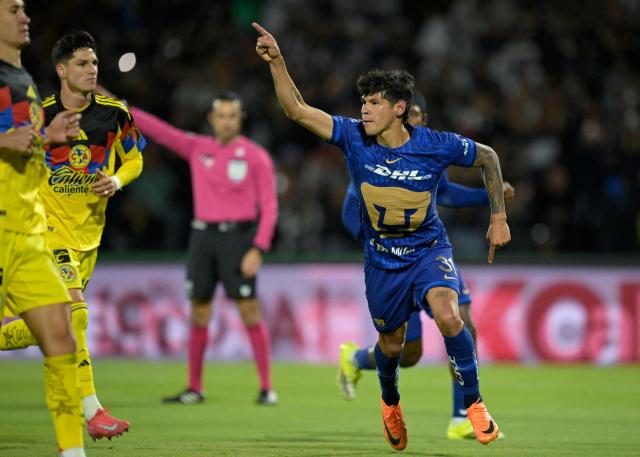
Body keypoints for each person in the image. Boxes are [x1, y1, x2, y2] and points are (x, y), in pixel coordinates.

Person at [254, 22, 510, 450]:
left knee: (452, 317)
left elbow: (488, 157)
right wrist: (278, 62)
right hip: (383, 261)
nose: (365, 110)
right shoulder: (354, 137)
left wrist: (498, 217)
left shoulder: (435, 143)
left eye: (374, 103)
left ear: (399, 108)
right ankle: (390, 403)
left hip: (429, 249)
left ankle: (474, 406)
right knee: (392, 348)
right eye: (363, 102)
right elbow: (297, 110)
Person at [338, 91, 514, 441]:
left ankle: (462, 414)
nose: (414, 121)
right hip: (390, 264)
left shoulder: (429, 150)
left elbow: (447, 192)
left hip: (429, 252)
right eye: (411, 114)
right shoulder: (370, 157)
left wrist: (490, 201)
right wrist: (378, 246)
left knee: (460, 320)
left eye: (419, 115)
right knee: (405, 352)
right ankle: (357, 361)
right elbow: (349, 212)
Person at [0, 30, 145, 440]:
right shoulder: (39, 113)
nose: (91, 69)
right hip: (44, 230)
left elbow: (134, 159)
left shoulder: (116, 114)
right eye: (82, 63)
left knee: (52, 326)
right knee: (77, 312)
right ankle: (93, 411)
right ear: (61, 70)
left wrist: (116, 180)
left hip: (89, 237)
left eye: (95, 63)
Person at [127, 91, 279, 405]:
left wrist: (258, 248)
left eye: (232, 115)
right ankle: (194, 387)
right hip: (202, 238)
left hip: (238, 240)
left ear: (240, 119)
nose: (226, 121)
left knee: (249, 310)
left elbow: (270, 207)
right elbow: (161, 131)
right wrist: (122, 106)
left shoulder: (255, 156)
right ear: (211, 119)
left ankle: (267, 388)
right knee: (199, 311)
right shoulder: (198, 147)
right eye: (220, 115)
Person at [0, 1, 86, 455]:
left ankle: (71, 452)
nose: (24, 15)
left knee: (60, 336)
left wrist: (48, 137)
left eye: (25, 8)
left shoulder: (24, 82)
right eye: (12, 9)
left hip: (30, 234)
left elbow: (23, 147)